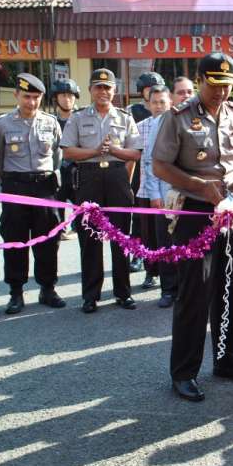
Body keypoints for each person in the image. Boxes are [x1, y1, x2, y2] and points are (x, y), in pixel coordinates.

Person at [152, 52, 233, 402]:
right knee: (194, 293)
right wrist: (200, 186)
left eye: (227, 86)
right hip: (196, 214)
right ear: (199, 80)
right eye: (215, 85)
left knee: (230, 287)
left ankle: (227, 360)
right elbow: (160, 166)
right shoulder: (178, 117)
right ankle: (183, 372)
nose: (222, 93)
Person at [60, 68, 141, 314]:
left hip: (117, 178)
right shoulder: (78, 117)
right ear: (91, 90)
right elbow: (68, 151)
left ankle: (123, 293)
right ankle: (90, 295)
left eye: (108, 87)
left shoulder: (125, 118)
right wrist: (95, 151)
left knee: (120, 238)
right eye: (98, 87)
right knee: (90, 239)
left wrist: (114, 151)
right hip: (89, 179)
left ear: (114, 91)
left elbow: (135, 153)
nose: (103, 92)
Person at [0, 73, 66, 314]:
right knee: (15, 240)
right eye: (26, 97)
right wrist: (11, 184)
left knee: (48, 240)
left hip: (44, 187)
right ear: (16, 95)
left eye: (36, 97)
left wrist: (47, 177)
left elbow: (57, 156)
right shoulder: (3, 123)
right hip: (16, 187)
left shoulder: (50, 122)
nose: (31, 102)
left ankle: (47, 288)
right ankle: (15, 293)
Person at [139, 85, 178, 308]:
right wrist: (154, 195)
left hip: (184, 195)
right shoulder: (152, 126)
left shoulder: (180, 122)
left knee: (184, 242)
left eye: (163, 101)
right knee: (164, 243)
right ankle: (168, 290)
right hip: (162, 195)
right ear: (148, 104)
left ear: (170, 102)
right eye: (155, 102)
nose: (159, 106)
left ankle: (184, 288)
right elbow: (149, 163)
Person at [128, 71, 166, 272]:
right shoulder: (136, 119)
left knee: (168, 235)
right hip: (144, 185)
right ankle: (149, 270)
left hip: (170, 187)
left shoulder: (175, 122)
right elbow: (132, 154)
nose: (158, 104)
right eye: (150, 93)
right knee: (146, 230)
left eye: (161, 100)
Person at [51, 78, 80, 241]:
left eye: (70, 95)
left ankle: (78, 227)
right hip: (58, 170)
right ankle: (60, 228)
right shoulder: (50, 121)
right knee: (57, 205)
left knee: (81, 207)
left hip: (78, 170)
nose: (67, 99)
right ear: (56, 98)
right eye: (63, 95)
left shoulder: (82, 119)